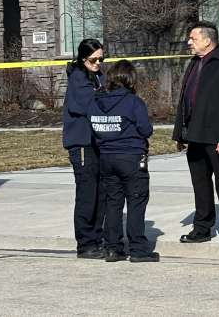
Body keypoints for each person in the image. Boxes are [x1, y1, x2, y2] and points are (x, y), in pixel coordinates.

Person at [172, 21, 219, 244]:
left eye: (193, 38)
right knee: (200, 184)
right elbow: (186, 99)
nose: (189, 42)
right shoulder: (194, 63)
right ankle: (202, 228)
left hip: (216, 137)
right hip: (194, 135)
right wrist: (180, 134)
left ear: (207, 40)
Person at [89, 59, 158, 262]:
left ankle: (113, 248)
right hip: (131, 157)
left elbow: (92, 127)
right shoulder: (133, 102)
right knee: (136, 201)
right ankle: (138, 249)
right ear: (130, 79)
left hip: (106, 157)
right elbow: (146, 130)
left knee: (113, 203)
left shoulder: (95, 101)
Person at [62, 38, 106, 260]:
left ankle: (97, 237)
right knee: (87, 193)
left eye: (101, 59)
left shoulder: (97, 75)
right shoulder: (79, 78)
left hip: (97, 142)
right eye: (93, 60)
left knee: (100, 192)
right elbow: (90, 106)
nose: (97, 63)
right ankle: (86, 242)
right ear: (82, 59)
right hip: (81, 143)